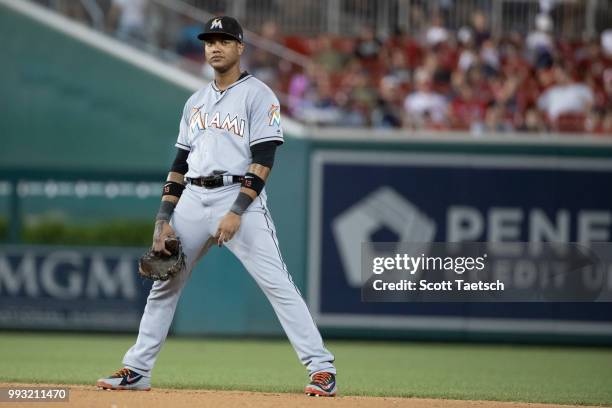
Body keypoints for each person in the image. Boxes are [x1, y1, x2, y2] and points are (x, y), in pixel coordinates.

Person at [96, 16, 337, 397]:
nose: (215, 46)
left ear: (241, 47)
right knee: (164, 283)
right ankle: (137, 369)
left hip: (238, 195)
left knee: (277, 283)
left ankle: (322, 369)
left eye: (224, 40)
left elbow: (263, 160)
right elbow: (178, 166)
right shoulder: (195, 102)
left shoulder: (260, 95)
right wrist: (163, 220)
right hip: (191, 198)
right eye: (210, 40)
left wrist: (237, 211)